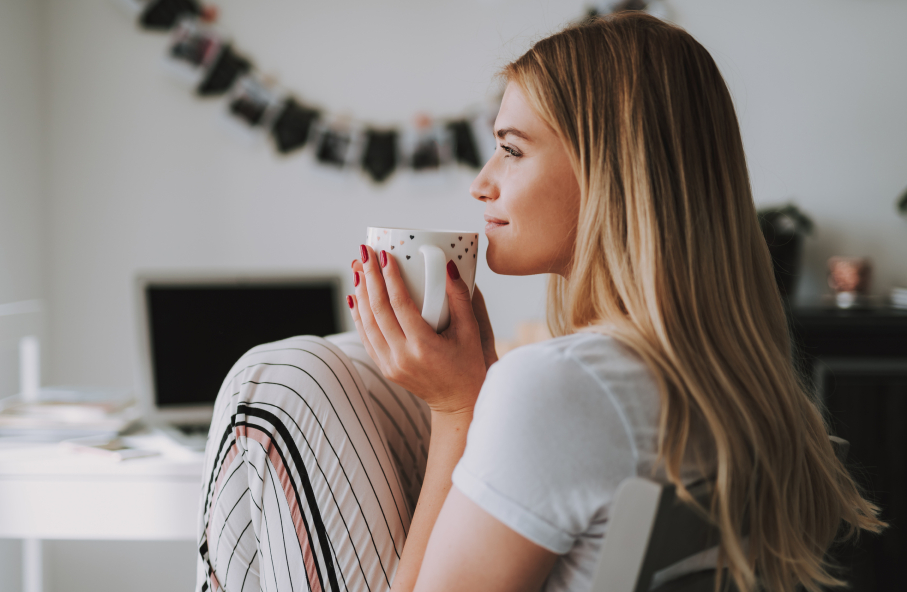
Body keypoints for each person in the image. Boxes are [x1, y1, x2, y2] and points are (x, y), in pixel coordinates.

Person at [196, 12, 884, 592]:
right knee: (335, 367)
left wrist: (458, 409)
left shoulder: (559, 387)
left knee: (277, 381)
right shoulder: (738, 386)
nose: (482, 184)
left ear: (612, 172)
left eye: (511, 151)